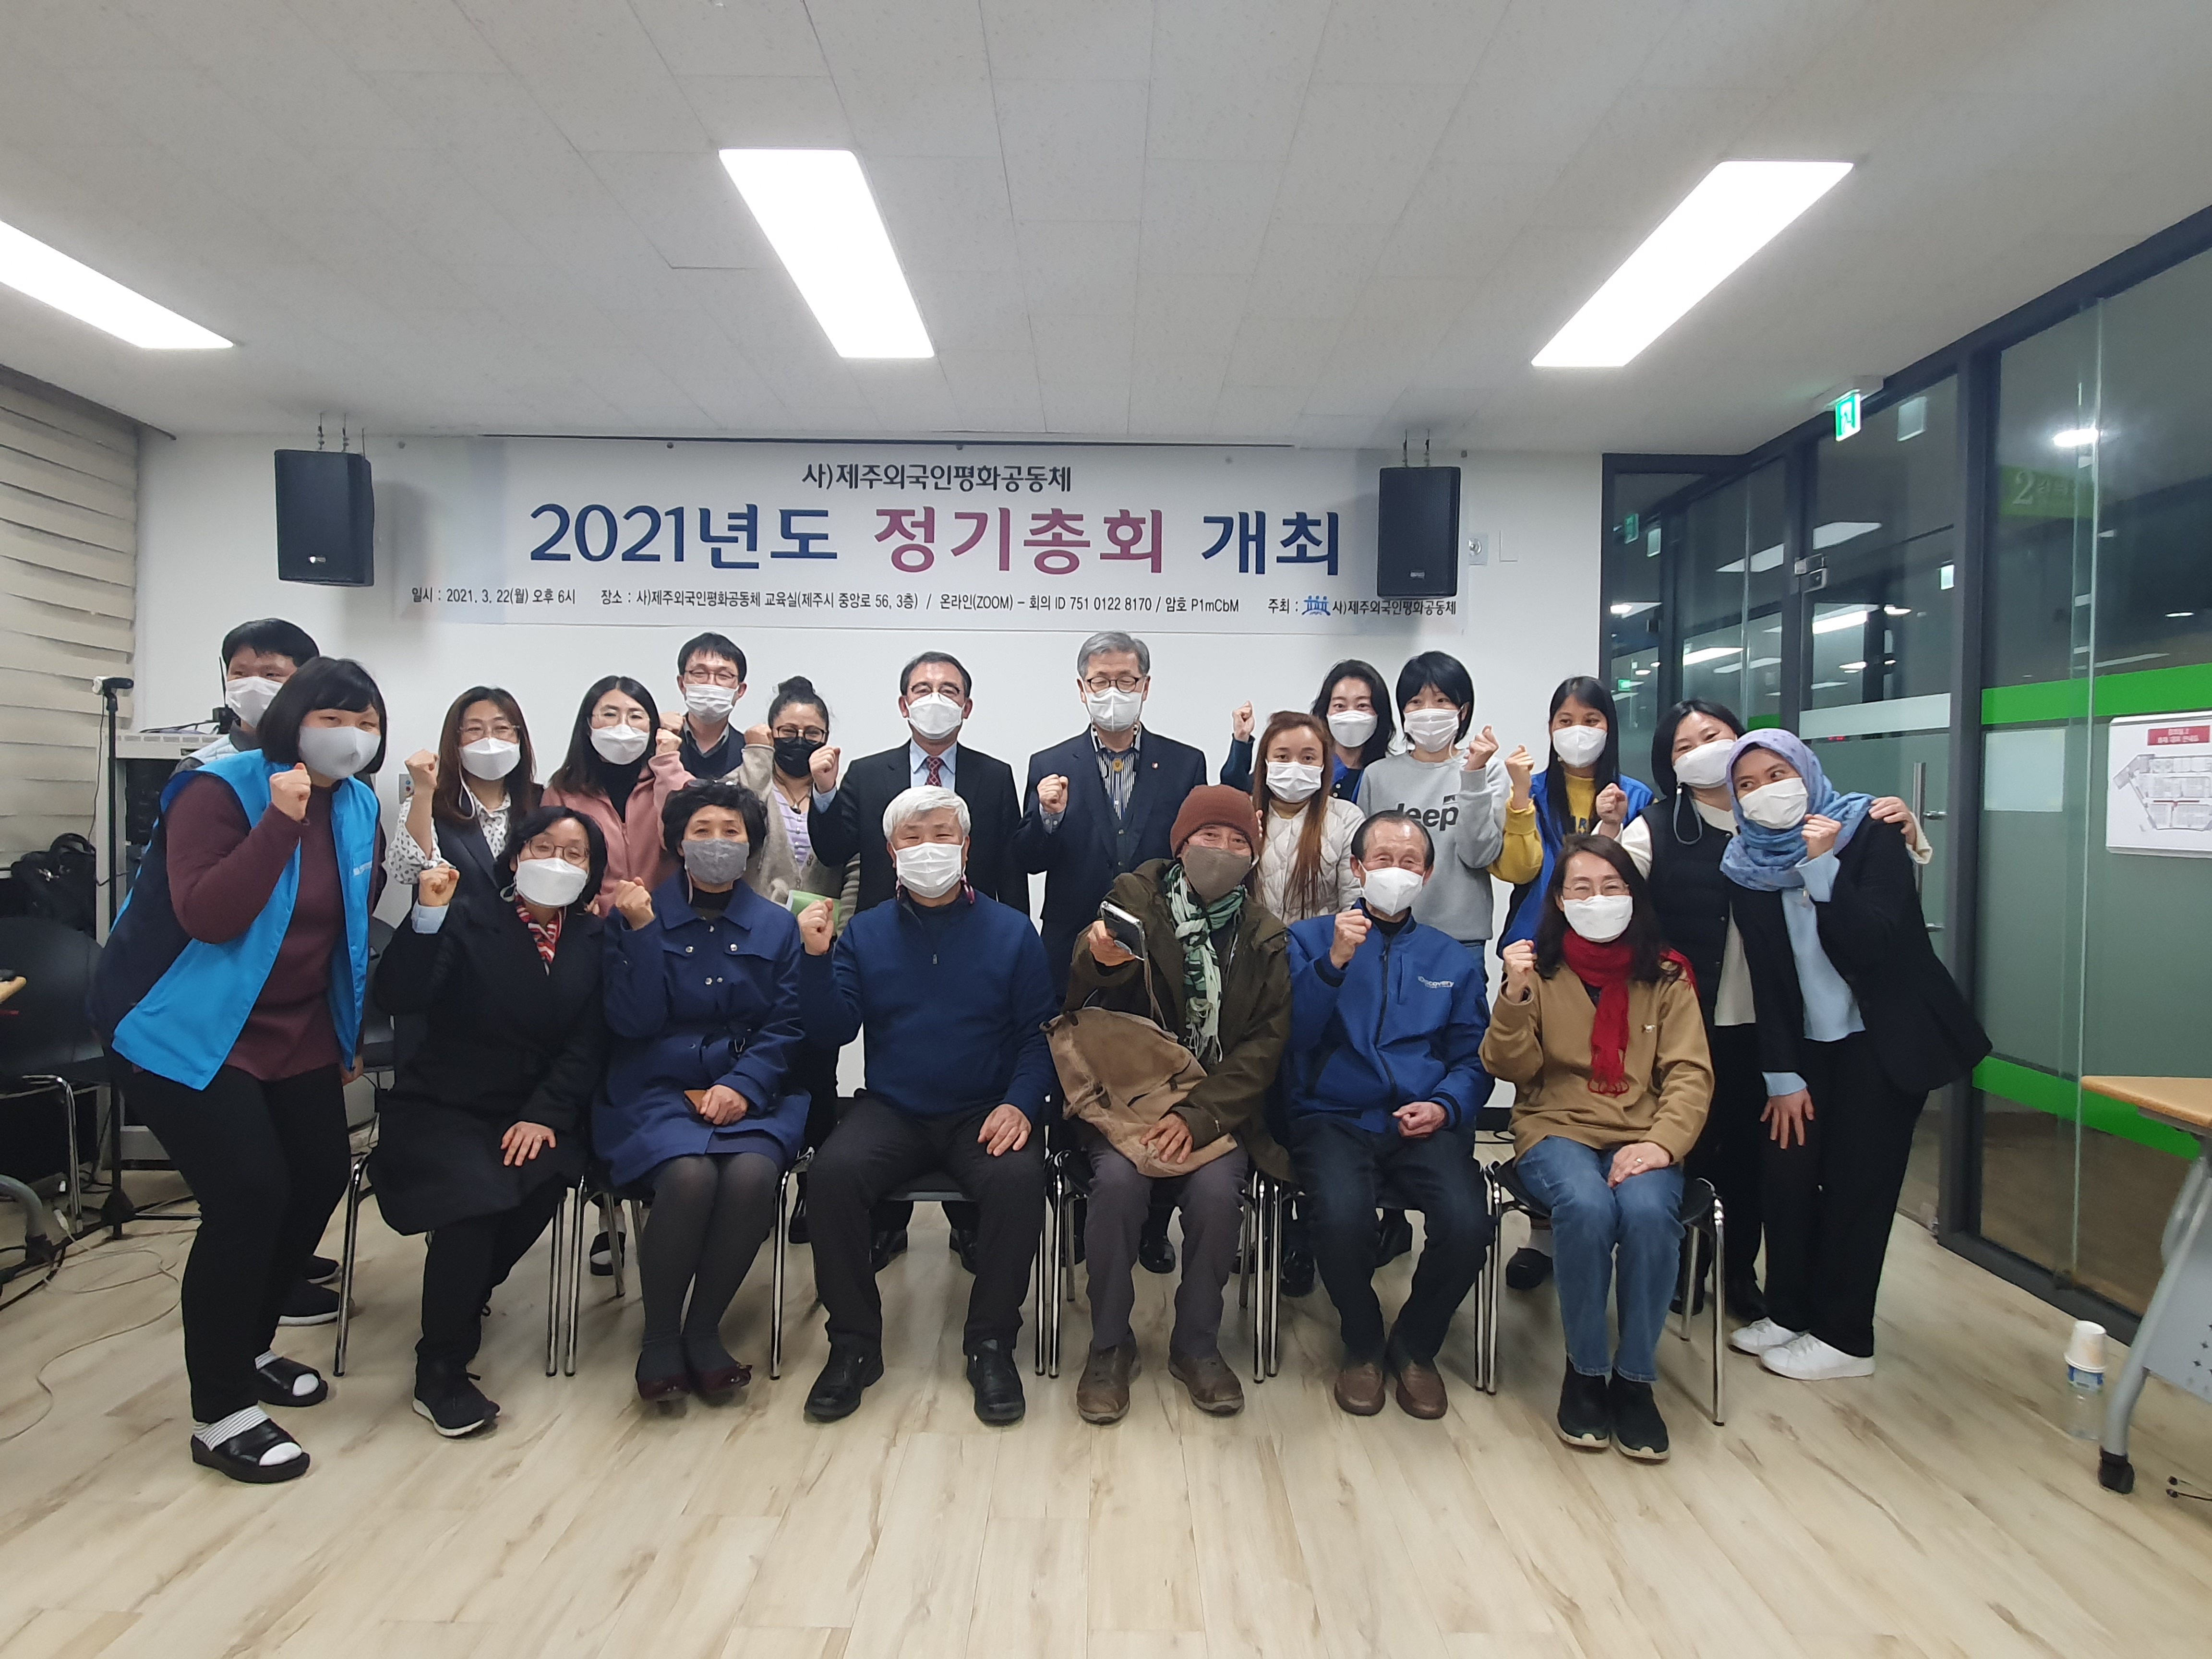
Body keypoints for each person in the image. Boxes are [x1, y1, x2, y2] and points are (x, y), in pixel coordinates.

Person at [89, 658, 387, 1484]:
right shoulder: (216, 791)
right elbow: (211, 914)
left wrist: (345, 1031)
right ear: (293, 719)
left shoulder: (359, 803)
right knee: (249, 1195)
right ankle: (219, 1412)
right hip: (183, 1025)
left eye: (366, 722)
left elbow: (346, 928)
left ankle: (248, 1350)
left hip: (293, 1026)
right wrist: (280, 823)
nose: (351, 736)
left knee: (319, 1176)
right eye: (333, 717)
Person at [1621, 700, 1932, 1324]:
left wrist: (1909, 833)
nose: (1702, 752)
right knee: (1695, 1148)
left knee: (1759, 1160)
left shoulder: (1815, 824)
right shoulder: (1662, 829)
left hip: (1782, 1025)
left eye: (1714, 736)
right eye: (1684, 746)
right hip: (1697, 1020)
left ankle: (1744, 1276)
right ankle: (1688, 1271)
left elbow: (1870, 900)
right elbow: (1609, 889)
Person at [1720, 731, 1988, 1381]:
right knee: (1787, 1175)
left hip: (1881, 1040)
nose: (1763, 792)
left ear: (1806, 771)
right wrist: (1781, 1074)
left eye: (1776, 774)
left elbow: (1876, 942)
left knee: (1856, 1186)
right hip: (1805, 1045)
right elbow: (1769, 978)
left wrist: (1822, 868)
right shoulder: (1747, 862)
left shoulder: (1870, 829)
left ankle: (1844, 1337)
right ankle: (1790, 1310)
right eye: (1747, 785)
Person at [796, 786, 1056, 1427]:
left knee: (1019, 1180)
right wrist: (816, 962)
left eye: (943, 835)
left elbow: (1040, 1038)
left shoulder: (1012, 931)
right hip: (894, 1108)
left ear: (966, 849)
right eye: (912, 838)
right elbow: (834, 1029)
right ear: (891, 853)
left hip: (984, 1108)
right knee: (830, 1177)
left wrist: (1022, 1105)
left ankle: (990, 1344)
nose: (928, 848)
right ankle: (854, 1344)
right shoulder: (866, 932)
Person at [367, 807, 606, 1436]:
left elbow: (589, 1043)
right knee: (474, 1203)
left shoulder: (595, 940)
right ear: (515, 856)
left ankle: (466, 1295)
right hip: (447, 1104)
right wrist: (426, 916)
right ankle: (440, 1368)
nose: (557, 861)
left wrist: (544, 1114)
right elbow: (400, 996)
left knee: (542, 1179)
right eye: (543, 846)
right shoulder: (464, 917)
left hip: (537, 1109)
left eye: (575, 853)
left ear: (592, 871)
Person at [1062, 786, 1292, 1424]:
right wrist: (1098, 955)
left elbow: (1263, 1048)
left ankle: (1196, 1345)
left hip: (1214, 1105)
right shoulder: (1136, 898)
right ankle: (1110, 1345)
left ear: (1253, 855)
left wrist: (1195, 1118)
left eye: (1238, 841)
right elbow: (1089, 974)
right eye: (1209, 837)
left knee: (1218, 1196)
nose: (1223, 850)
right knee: (1116, 1185)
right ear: (1181, 843)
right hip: (1129, 1096)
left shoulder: (1265, 937)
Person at [1482, 836, 1714, 1462]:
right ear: (1559, 901)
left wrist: (1663, 1144)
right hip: (1554, 1126)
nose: (1598, 899)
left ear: (1634, 896)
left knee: (1647, 1211)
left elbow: (1690, 1074)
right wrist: (1513, 995)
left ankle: (1635, 1380)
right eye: (1581, 888)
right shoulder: (1540, 971)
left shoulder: (1667, 975)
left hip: (1643, 1133)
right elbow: (1509, 1067)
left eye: (1612, 887)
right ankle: (1585, 1372)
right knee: (1585, 1207)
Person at [805, 649, 1027, 1267]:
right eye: (923, 688)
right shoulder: (867, 772)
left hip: (972, 939)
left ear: (967, 705)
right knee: (895, 1080)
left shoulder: (994, 774)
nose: (936, 698)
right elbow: (834, 847)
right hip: (893, 941)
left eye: (949, 689)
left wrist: (1017, 931)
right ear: (903, 704)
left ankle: (970, 1225)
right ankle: (887, 1223)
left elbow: (1007, 865)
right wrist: (823, 793)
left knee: (972, 1075)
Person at [598, 779, 808, 1403]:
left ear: (751, 845)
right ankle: (660, 1339)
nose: (718, 843)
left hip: (751, 1092)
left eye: (731, 832)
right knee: (688, 1176)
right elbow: (631, 1023)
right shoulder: (636, 915)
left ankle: (704, 1331)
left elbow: (786, 1025)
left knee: (751, 1176)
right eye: (702, 831)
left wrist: (742, 1085)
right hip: (654, 1089)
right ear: (677, 842)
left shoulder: (778, 926)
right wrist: (642, 934)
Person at [1282, 811, 1494, 1420]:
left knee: (1468, 1222)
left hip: (1422, 1120)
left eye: (1409, 863)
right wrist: (1333, 964)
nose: (1395, 873)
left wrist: (1445, 1105)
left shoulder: (1451, 959)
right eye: (1382, 860)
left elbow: (1474, 1057)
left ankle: (1417, 1345)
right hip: (1334, 1114)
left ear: (1426, 875)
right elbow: (1290, 1039)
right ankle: (1364, 1340)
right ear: (1357, 868)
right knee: (1341, 1218)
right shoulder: (1309, 940)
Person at [1494, 674, 1654, 1292]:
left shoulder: (1635, 796)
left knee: (1605, 1070)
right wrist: (1517, 794)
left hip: (1614, 961)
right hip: (1536, 953)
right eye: (1565, 720)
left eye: (1591, 719)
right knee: (1537, 1079)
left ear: (1610, 728)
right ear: (1550, 729)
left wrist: (1612, 827)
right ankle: (1544, 1233)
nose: (1577, 731)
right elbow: (1518, 868)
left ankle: (1609, 1220)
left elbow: (1631, 881)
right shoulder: (1531, 791)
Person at [1354, 651, 1510, 1272]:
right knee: (1382, 1062)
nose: (1428, 712)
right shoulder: (1379, 776)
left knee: (1453, 1063)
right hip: (1385, 939)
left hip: (1459, 938)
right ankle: (1387, 1216)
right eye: (1416, 702)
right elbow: (1365, 860)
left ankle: (1449, 1198)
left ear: (1462, 710)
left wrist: (1472, 778)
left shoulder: (1485, 771)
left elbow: (1480, 852)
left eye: (1441, 701)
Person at [1013, 631, 1208, 1000]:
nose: (1113, 692)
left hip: (1160, 945)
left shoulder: (1185, 764)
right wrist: (1048, 818)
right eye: (1100, 682)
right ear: (1082, 689)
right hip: (1072, 946)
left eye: (1126, 681)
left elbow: (1192, 859)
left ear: (1145, 687)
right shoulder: (1050, 764)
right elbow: (1029, 860)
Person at [733, 674, 853, 1243]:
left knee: (817, 1072)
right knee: (758, 1060)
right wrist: (758, 758)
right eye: (787, 731)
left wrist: (836, 935)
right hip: (753, 951)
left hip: (821, 949)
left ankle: (811, 1187)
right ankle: (755, 1185)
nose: (800, 740)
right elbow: (741, 844)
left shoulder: (839, 794)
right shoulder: (746, 782)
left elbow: (854, 866)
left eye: (813, 732)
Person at [542, 674, 689, 910]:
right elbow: (552, 859)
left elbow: (685, 838)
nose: (623, 726)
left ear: (653, 727)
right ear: (588, 725)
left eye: (636, 716)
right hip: (594, 919)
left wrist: (667, 762)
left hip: (667, 916)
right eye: (610, 715)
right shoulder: (564, 790)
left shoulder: (669, 777)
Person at [385, 685, 542, 899]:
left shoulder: (540, 802)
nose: (489, 740)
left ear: (519, 738)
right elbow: (406, 870)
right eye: (475, 729)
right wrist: (423, 791)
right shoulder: (431, 802)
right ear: (455, 740)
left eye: (501, 728)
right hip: (448, 920)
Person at [1219, 659, 1397, 800]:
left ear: (1380, 712)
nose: (1351, 714)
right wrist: (1241, 740)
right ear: (1326, 711)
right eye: (1340, 706)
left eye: (1362, 706)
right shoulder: (1304, 765)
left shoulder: (1386, 776)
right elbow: (1235, 792)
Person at [1250, 711, 1363, 924]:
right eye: (1282, 757)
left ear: (1324, 765)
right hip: (1253, 942)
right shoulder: (1245, 812)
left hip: (1321, 943)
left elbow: (1354, 899)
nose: (1295, 766)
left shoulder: (1347, 818)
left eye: (1308, 758)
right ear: (1265, 763)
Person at [180, 617, 320, 769]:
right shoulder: (202, 768)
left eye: (271, 674)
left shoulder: (326, 763)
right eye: (240, 673)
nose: (253, 684)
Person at [667, 631, 750, 780]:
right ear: (682, 684)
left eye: (724, 676)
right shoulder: (661, 743)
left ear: (740, 690)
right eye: (699, 673)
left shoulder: (749, 753)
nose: (711, 683)